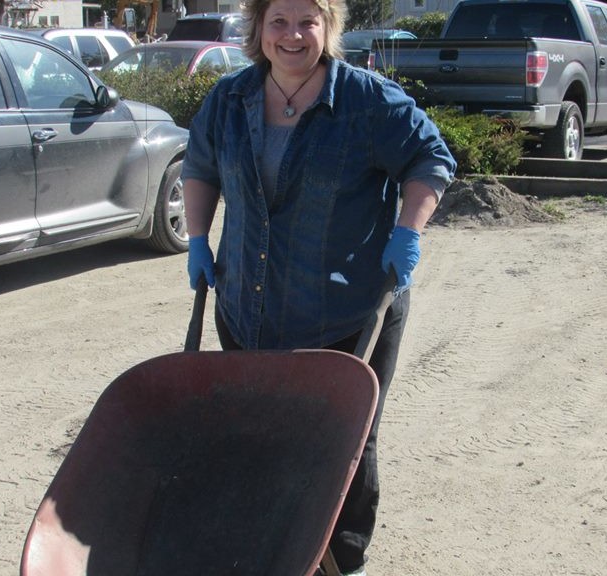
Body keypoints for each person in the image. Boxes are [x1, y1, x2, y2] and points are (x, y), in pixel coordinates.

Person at [181, 0, 456, 573]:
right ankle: (276, 551)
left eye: (308, 20)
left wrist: (408, 233)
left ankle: (343, 561)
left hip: (345, 312)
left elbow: (429, 159)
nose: (292, 34)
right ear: (258, 28)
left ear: (329, 28)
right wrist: (200, 239)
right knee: (260, 436)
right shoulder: (229, 100)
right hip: (248, 310)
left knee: (345, 445)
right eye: (278, 20)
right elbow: (201, 169)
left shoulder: (365, 100)